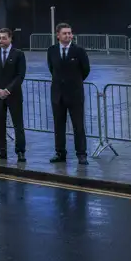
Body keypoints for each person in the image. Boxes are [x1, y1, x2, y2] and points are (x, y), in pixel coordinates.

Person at [47, 23, 90, 164]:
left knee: (78, 126)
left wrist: (74, 83)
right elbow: (52, 68)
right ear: (58, 35)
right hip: (57, 95)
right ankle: (60, 153)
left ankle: (81, 154)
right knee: (59, 126)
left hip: (75, 95)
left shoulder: (79, 51)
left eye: (69, 33)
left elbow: (85, 70)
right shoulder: (51, 50)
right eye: (64, 33)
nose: (68, 35)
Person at [0, 28, 26, 162]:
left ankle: (20, 151)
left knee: (18, 125)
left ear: (10, 39)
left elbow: (20, 75)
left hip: (13, 95)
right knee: (0, 124)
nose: (1, 41)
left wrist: (7, 90)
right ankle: (1, 151)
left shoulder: (19, 54)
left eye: (4, 38)